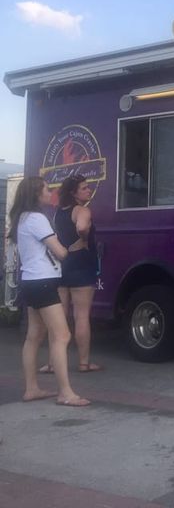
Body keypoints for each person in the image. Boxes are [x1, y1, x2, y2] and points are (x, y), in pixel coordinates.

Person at [7, 176, 90, 406]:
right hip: (44, 281)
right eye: (45, 188)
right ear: (36, 194)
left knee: (34, 336)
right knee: (62, 335)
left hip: (30, 281)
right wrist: (73, 246)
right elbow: (60, 253)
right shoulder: (38, 219)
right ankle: (65, 393)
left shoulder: (22, 218)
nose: (49, 191)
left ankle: (31, 388)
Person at [40, 174, 102, 373]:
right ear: (74, 193)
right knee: (81, 316)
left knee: (59, 317)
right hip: (81, 264)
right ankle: (84, 363)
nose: (88, 190)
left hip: (62, 265)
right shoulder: (82, 210)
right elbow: (82, 226)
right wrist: (83, 238)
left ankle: (52, 362)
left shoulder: (58, 213)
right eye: (84, 188)